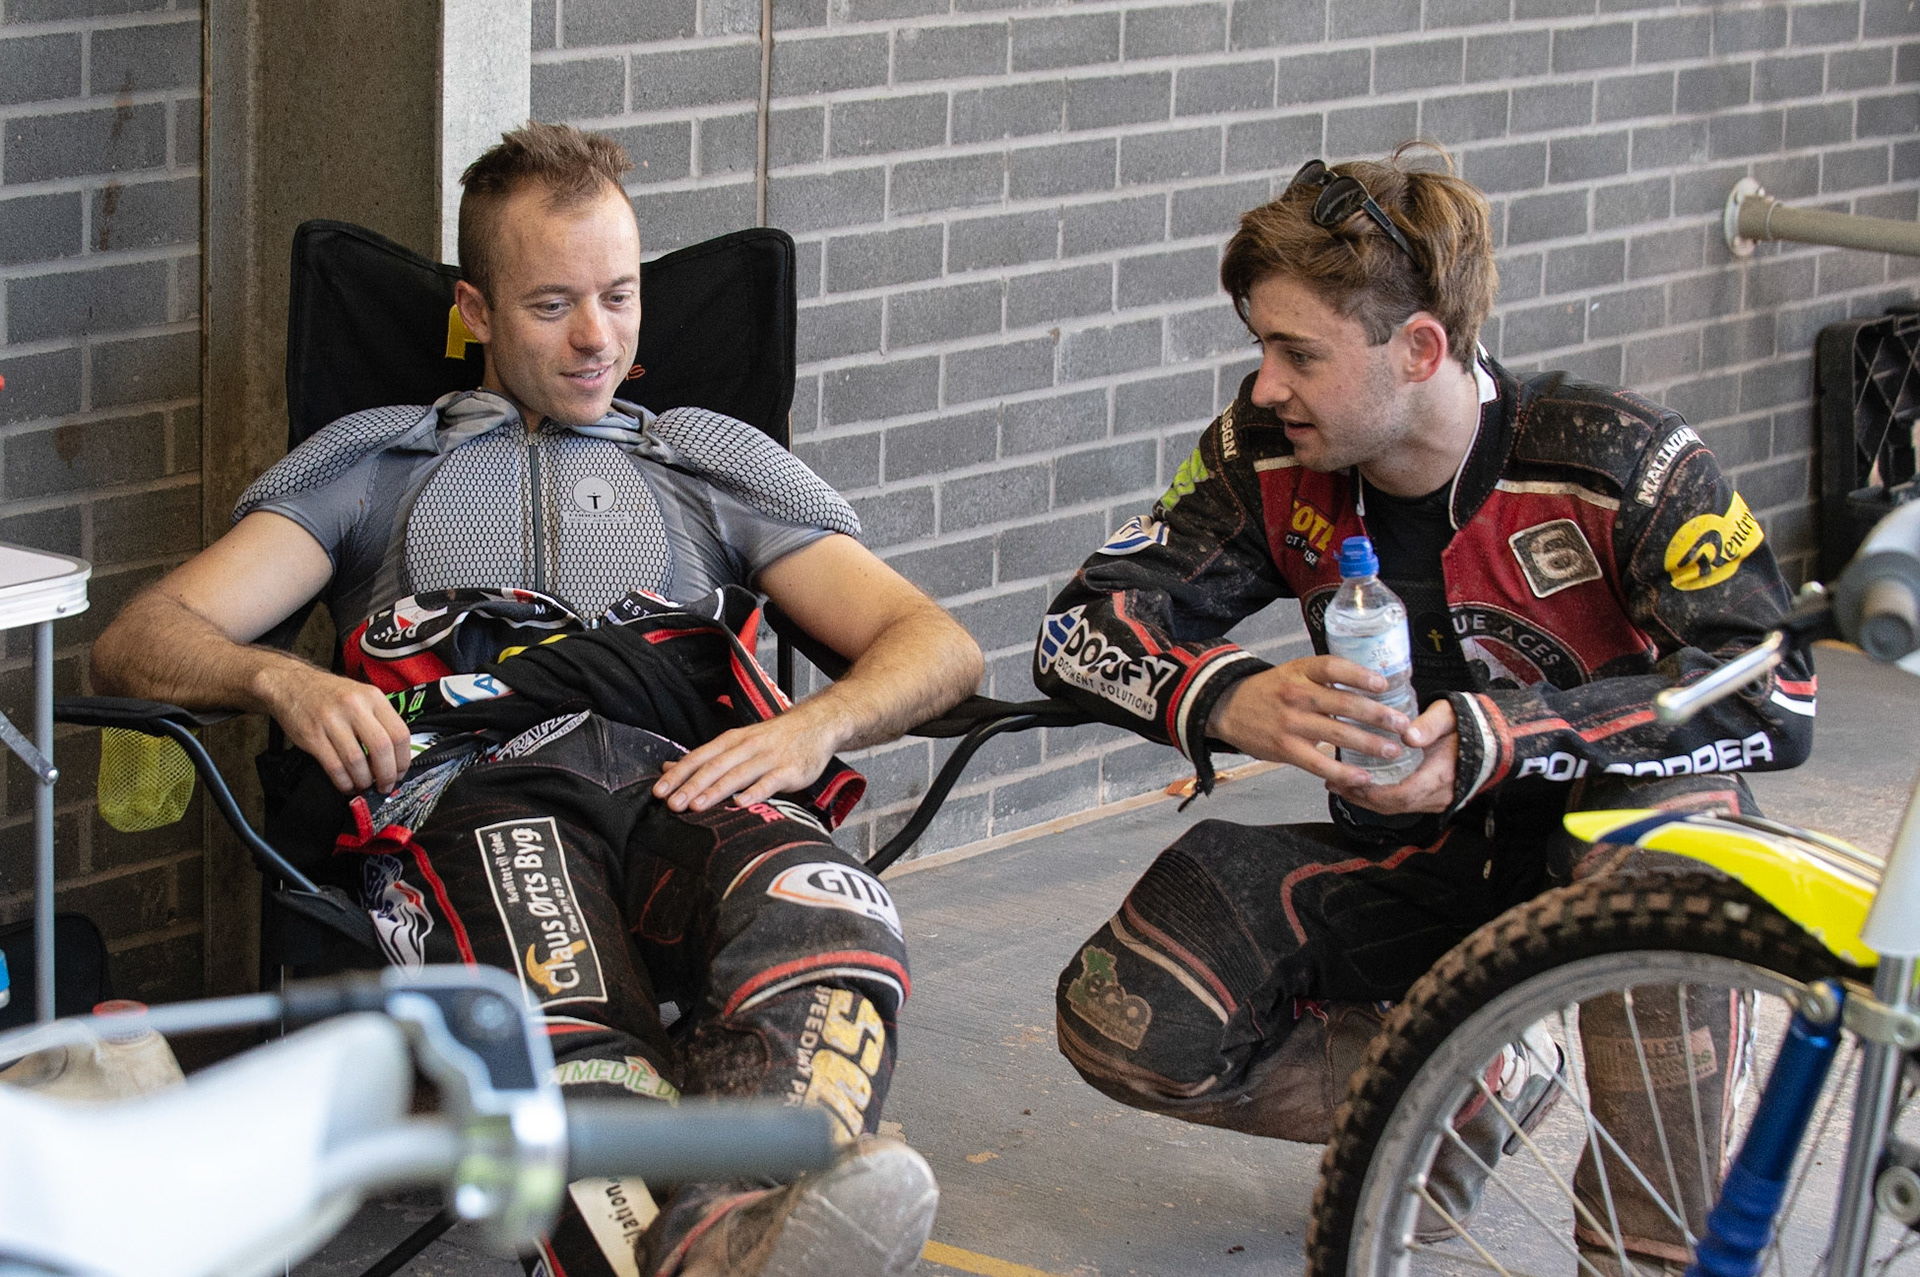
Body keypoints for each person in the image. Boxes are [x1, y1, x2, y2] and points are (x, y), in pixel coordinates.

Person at [90, 122, 982, 1277]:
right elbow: (137, 641)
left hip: (688, 783)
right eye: (554, 303)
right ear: (474, 310)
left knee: (837, 916)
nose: (598, 337)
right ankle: (728, 1242)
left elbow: (936, 642)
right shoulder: (377, 464)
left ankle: (721, 1230)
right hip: (481, 796)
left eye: (619, 296)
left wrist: (811, 726)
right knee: (566, 1038)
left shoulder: (704, 462)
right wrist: (279, 674)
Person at [1031, 142, 1815, 1267]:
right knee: (1123, 1014)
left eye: (1297, 351)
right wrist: (1228, 696)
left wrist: (1502, 736)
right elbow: (1076, 628)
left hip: (1607, 844)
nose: (1264, 384)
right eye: (1261, 346)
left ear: (1421, 346)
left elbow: (1777, 681)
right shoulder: (1262, 453)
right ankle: (1476, 1079)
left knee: (1670, 874)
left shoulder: (1621, 459)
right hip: (1412, 859)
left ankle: (1649, 1253)